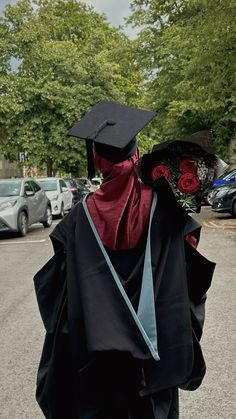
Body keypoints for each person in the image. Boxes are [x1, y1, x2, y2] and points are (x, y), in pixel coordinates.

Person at [34, 101, 216, 419]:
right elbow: (190, 272)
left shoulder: (78, 219)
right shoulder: (167, 209)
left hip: (98, 358)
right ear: (135, 152)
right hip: (155, 356)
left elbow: (61, 291)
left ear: (98, 159)